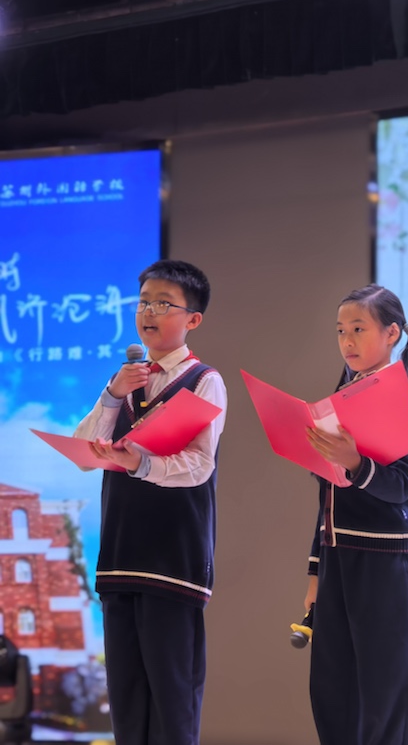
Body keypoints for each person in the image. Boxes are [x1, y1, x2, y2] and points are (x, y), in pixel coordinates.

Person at [74, 259, 227, 745]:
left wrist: (141, 464)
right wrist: (112, 394)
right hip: (120, 558)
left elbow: (199, 464)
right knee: (127, 703)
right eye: (143, 302)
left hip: (172, 563)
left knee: (172, 702)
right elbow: (84, 453)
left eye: (163, 304)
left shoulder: (203, 380)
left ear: (192, 319)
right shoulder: (124, 381)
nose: (148, 312)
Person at [303, 284, 408, 745]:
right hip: (337, 561)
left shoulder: (402, 395)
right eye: (340, 331)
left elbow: (402, 486)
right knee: (333, 697)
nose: (347, 341)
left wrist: (355, 463)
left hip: (385, 565)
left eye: (358, 329)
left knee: (384, 704)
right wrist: (314, 571)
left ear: (392, 333)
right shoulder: (341, 395)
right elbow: (328, 498)